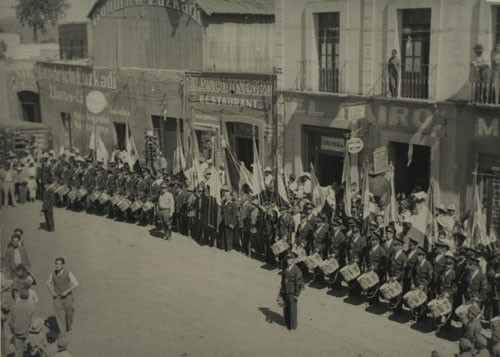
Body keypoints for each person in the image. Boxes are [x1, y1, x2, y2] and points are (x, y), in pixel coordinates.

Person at [46, 258, 79, 335]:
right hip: (57, 296)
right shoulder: (52, 274)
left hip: (67, 296)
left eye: (59, 264)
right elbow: (48, 283)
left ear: (62, 265)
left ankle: (69, 326)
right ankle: (63, 329)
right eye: (56, 264)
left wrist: (67, 291)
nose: (57, 266)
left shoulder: (68, 272)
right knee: (59, 312)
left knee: (69, 311)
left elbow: (76, 283)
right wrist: (52, 292)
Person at [8, 288, 36, 357]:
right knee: (32, 351)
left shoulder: (13, 307)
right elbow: (34, 322)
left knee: (18, 352)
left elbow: (10, 322)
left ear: (19, 296)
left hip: (17, 332)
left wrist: (12, 330)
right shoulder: (32, 307)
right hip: (29, 333)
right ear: (28, 296)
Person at [280, 252, 304, 331]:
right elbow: (283, 281)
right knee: (286, 308)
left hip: (292, 292)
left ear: (293, 260)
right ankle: (287, 323)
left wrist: (296, 295)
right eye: (287, 259)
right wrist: (281, 291)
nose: (288, 261)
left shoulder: (296, 270)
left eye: (290, 259)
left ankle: (292, 326)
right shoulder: (285, 268)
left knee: (292, 309)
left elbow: (299, 284)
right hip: (285, 290)